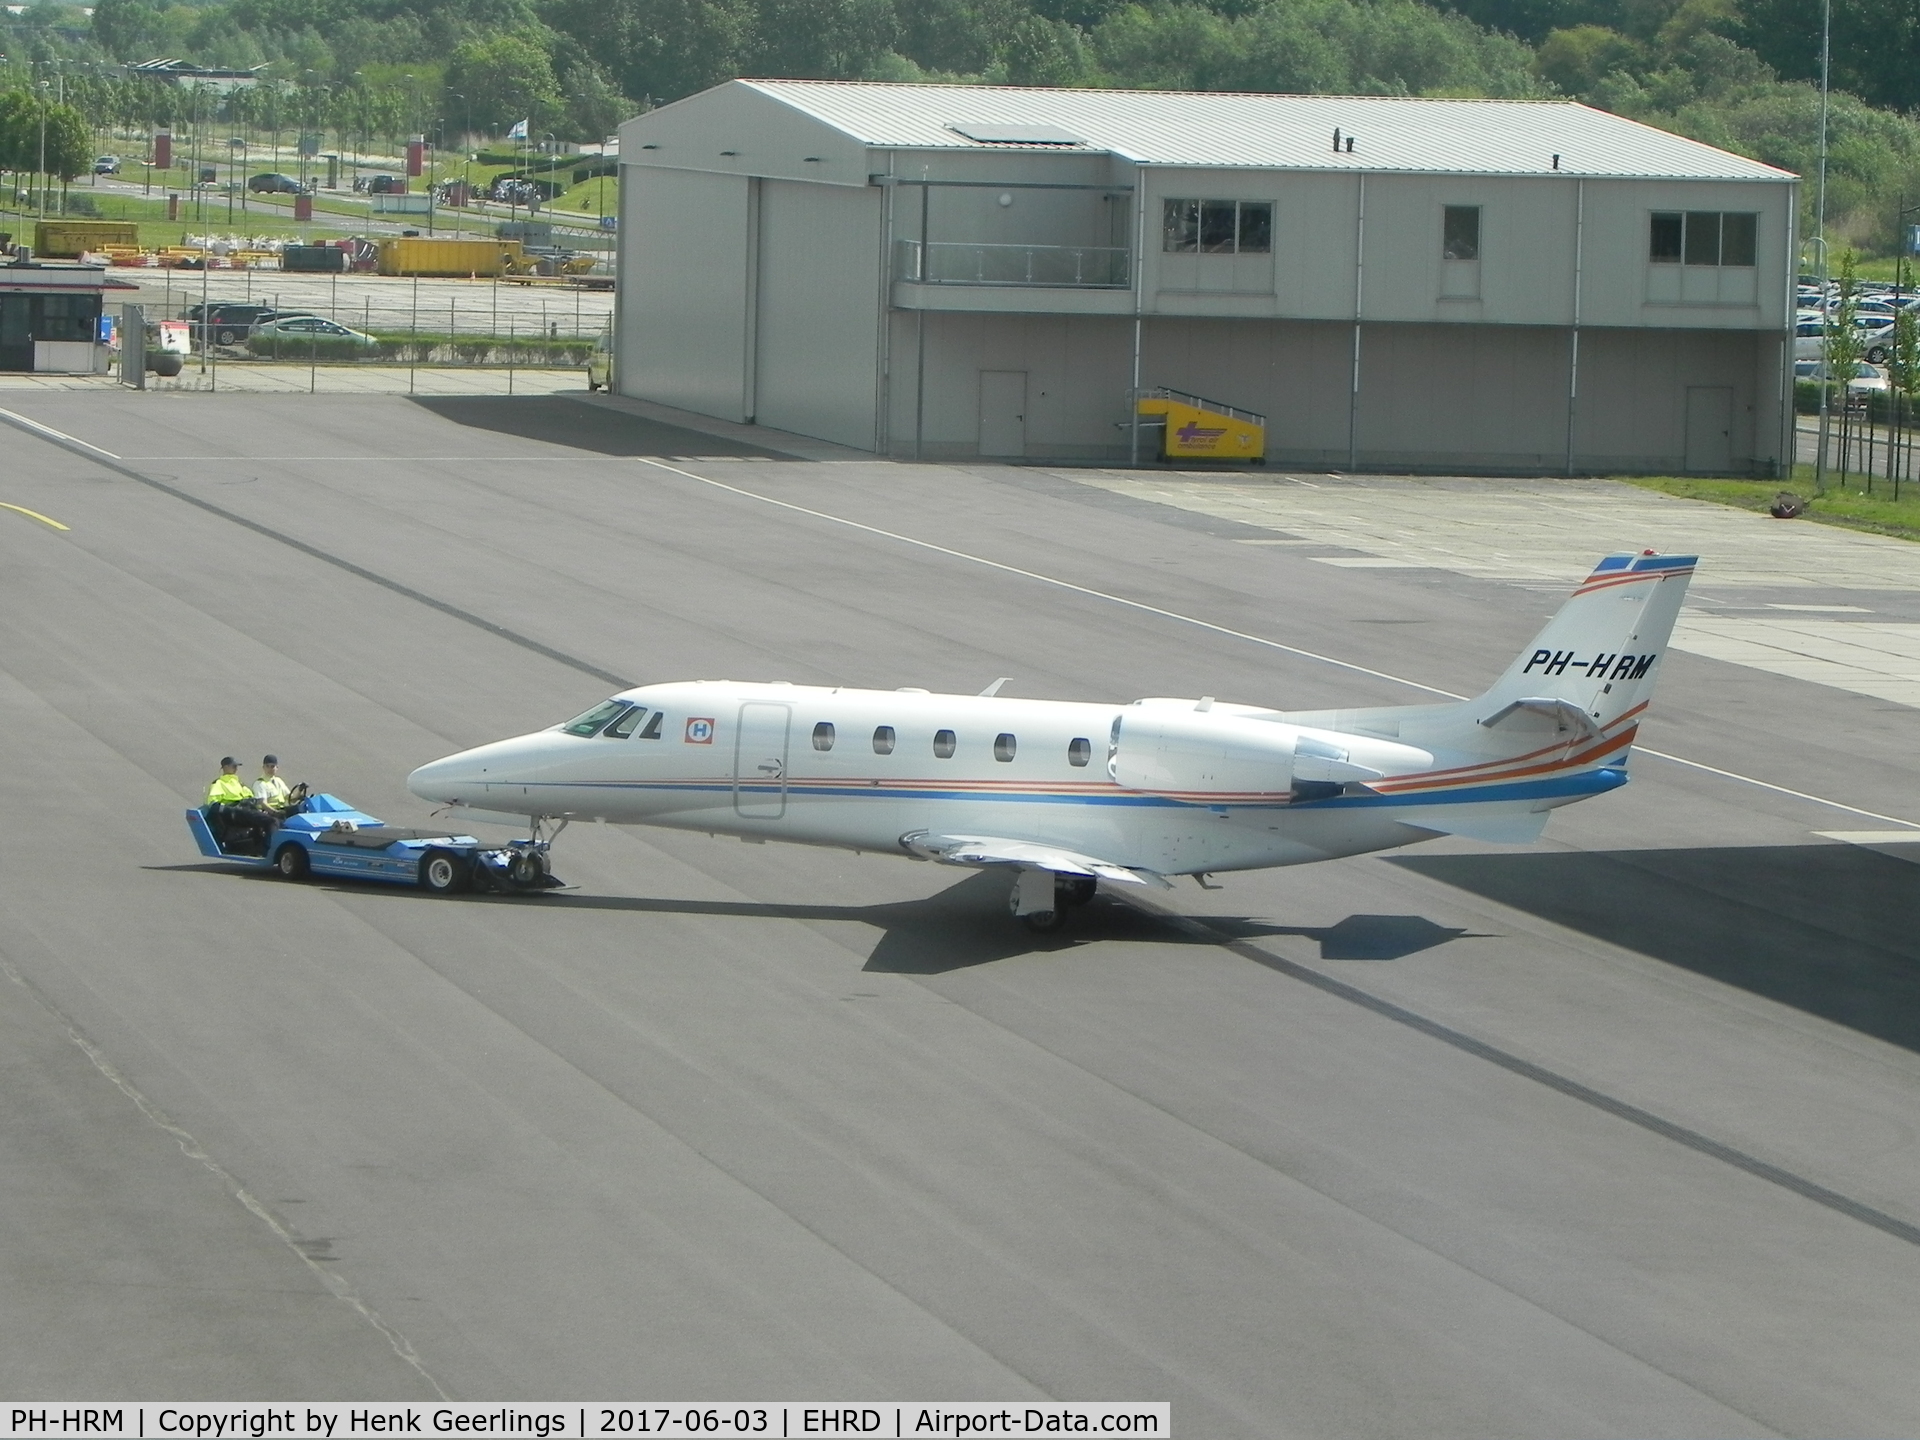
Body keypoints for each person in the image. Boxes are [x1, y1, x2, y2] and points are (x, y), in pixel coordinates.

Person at [205, 756, 273, 854]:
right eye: (233, 766)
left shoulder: (238, 783)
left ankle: (260, 845)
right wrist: (231, 810)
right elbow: (213, 804)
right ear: (225, 767)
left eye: (237, 766)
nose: (236, 768)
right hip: (234, 813)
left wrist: (253, 802)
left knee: (276, 819)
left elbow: (250, 795)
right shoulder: (219, 783)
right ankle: (267, 850)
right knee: (269, 821)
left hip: (245, 809)